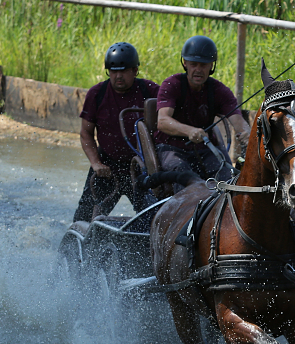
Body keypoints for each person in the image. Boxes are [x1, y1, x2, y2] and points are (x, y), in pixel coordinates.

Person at [73, 42, 160, 222]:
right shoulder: (97, 94)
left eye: (124, 71)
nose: (118, 76)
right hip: (107, 167)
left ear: (135, 70)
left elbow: (167, 121)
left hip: (140, 168)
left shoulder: (150, 92)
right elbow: (85, 133)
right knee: (83, 218)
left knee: (156, 217)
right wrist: (96, 163)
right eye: (113, 71)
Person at [155, 35, 251, 188]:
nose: (198, 70)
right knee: (182, 174)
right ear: (185, 63)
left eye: (203, 65)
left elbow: (238, 121)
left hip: (205, 149)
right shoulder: (172, 84)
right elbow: (162, 121)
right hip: (171, 148)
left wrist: (246, 134)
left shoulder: (219, 90)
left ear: (211, 65)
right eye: (194, 64)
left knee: (228, 176)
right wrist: (189, 131)